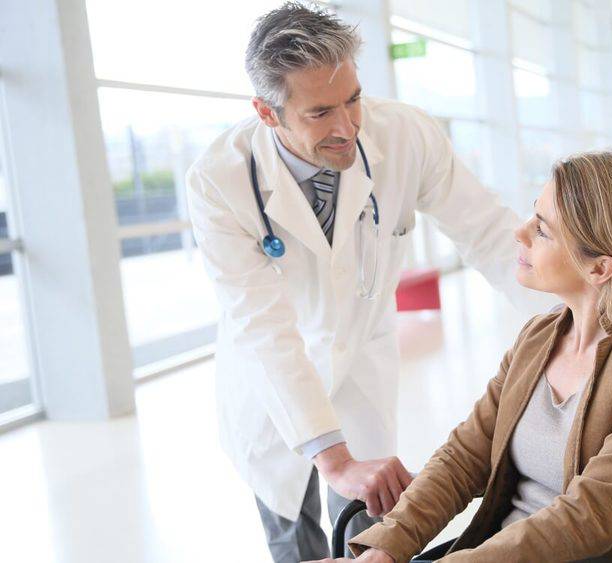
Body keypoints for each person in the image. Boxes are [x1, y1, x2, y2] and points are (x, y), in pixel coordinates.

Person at [185, 3, 550, 562]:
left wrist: (576, 320)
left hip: (360, 366)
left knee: (366, 534)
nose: (347, 127)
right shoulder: (220, 180)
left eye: (353, 99)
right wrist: (332, 458)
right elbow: (263, 325)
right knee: (295, 531)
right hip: (272, 383)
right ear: (267, 112)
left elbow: (490, 234)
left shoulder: (404, 135)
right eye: (320, 113)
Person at [323, 149, 612, 562]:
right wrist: (385, 548)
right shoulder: (539, 336)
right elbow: (463, 459)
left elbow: (590, 516)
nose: (520, 232)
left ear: (600, 268)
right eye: (533, 215)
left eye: (543, 230)